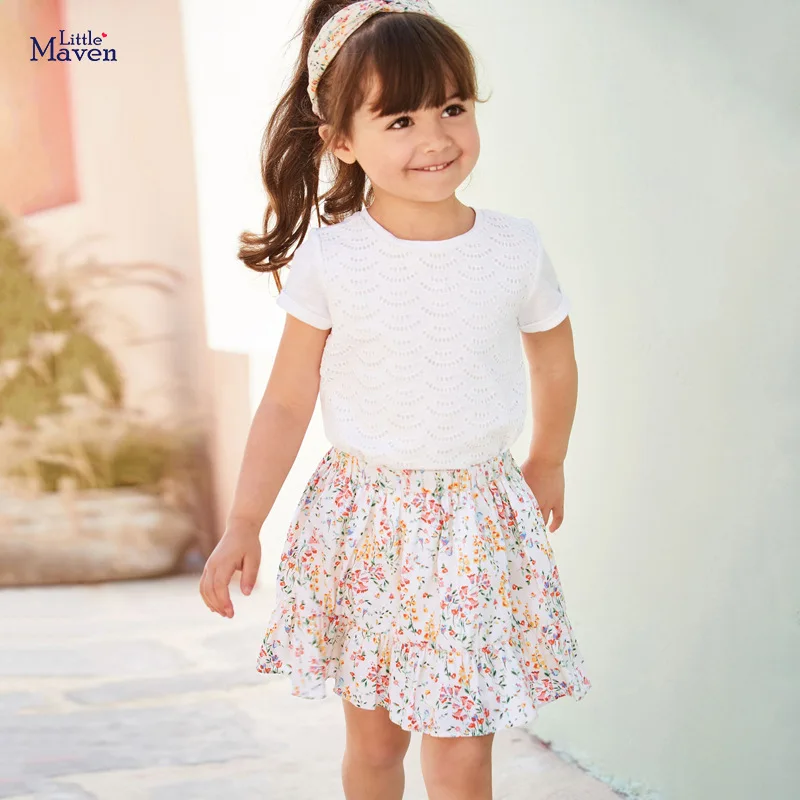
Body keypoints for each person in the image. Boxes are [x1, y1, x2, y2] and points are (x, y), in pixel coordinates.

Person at [199, 1, 592, 797]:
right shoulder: (333, 258)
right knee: (377, 745)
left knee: (461, 752)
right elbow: (286, 401)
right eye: (401, 119)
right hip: (366, 527)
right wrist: (244, 520)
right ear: (342, 140)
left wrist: (547, 457)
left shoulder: (513, 248)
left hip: (476, 525)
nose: (436, 138)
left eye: (453, 107)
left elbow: (554, 358)